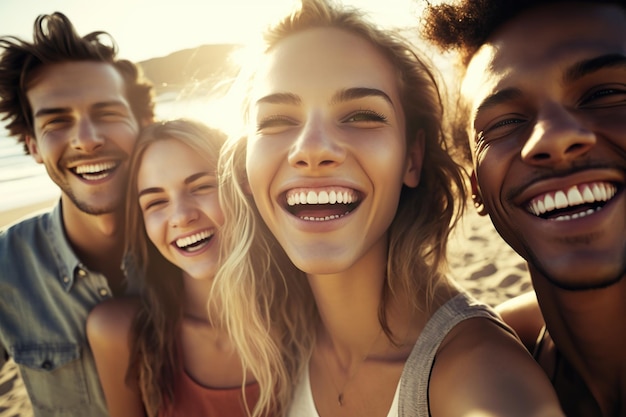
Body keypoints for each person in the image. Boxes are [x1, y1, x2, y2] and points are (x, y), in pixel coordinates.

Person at [215, 0, 565, 415]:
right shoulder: (271, 348)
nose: (311, 148)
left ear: (411, 158)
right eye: (276, 120)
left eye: (361, 115)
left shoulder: (478, 378)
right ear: (245, 166)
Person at [421, 1, 626, 416]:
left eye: (604, 94)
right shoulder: (484, 352)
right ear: (477, 187)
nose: (551, 138)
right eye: (505, 123)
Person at [0, 12, 154, 417]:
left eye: (107, 113)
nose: (86, 140)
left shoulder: (204, 241)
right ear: (33, 146)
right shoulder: (5, 268)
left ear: (144, 124)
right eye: (57, 122)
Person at [86, 119, 269, 417]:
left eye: (201, 186)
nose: (181, 216)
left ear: (243, 187)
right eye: (156, 202)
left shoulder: (307, 320)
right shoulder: (122, 334)